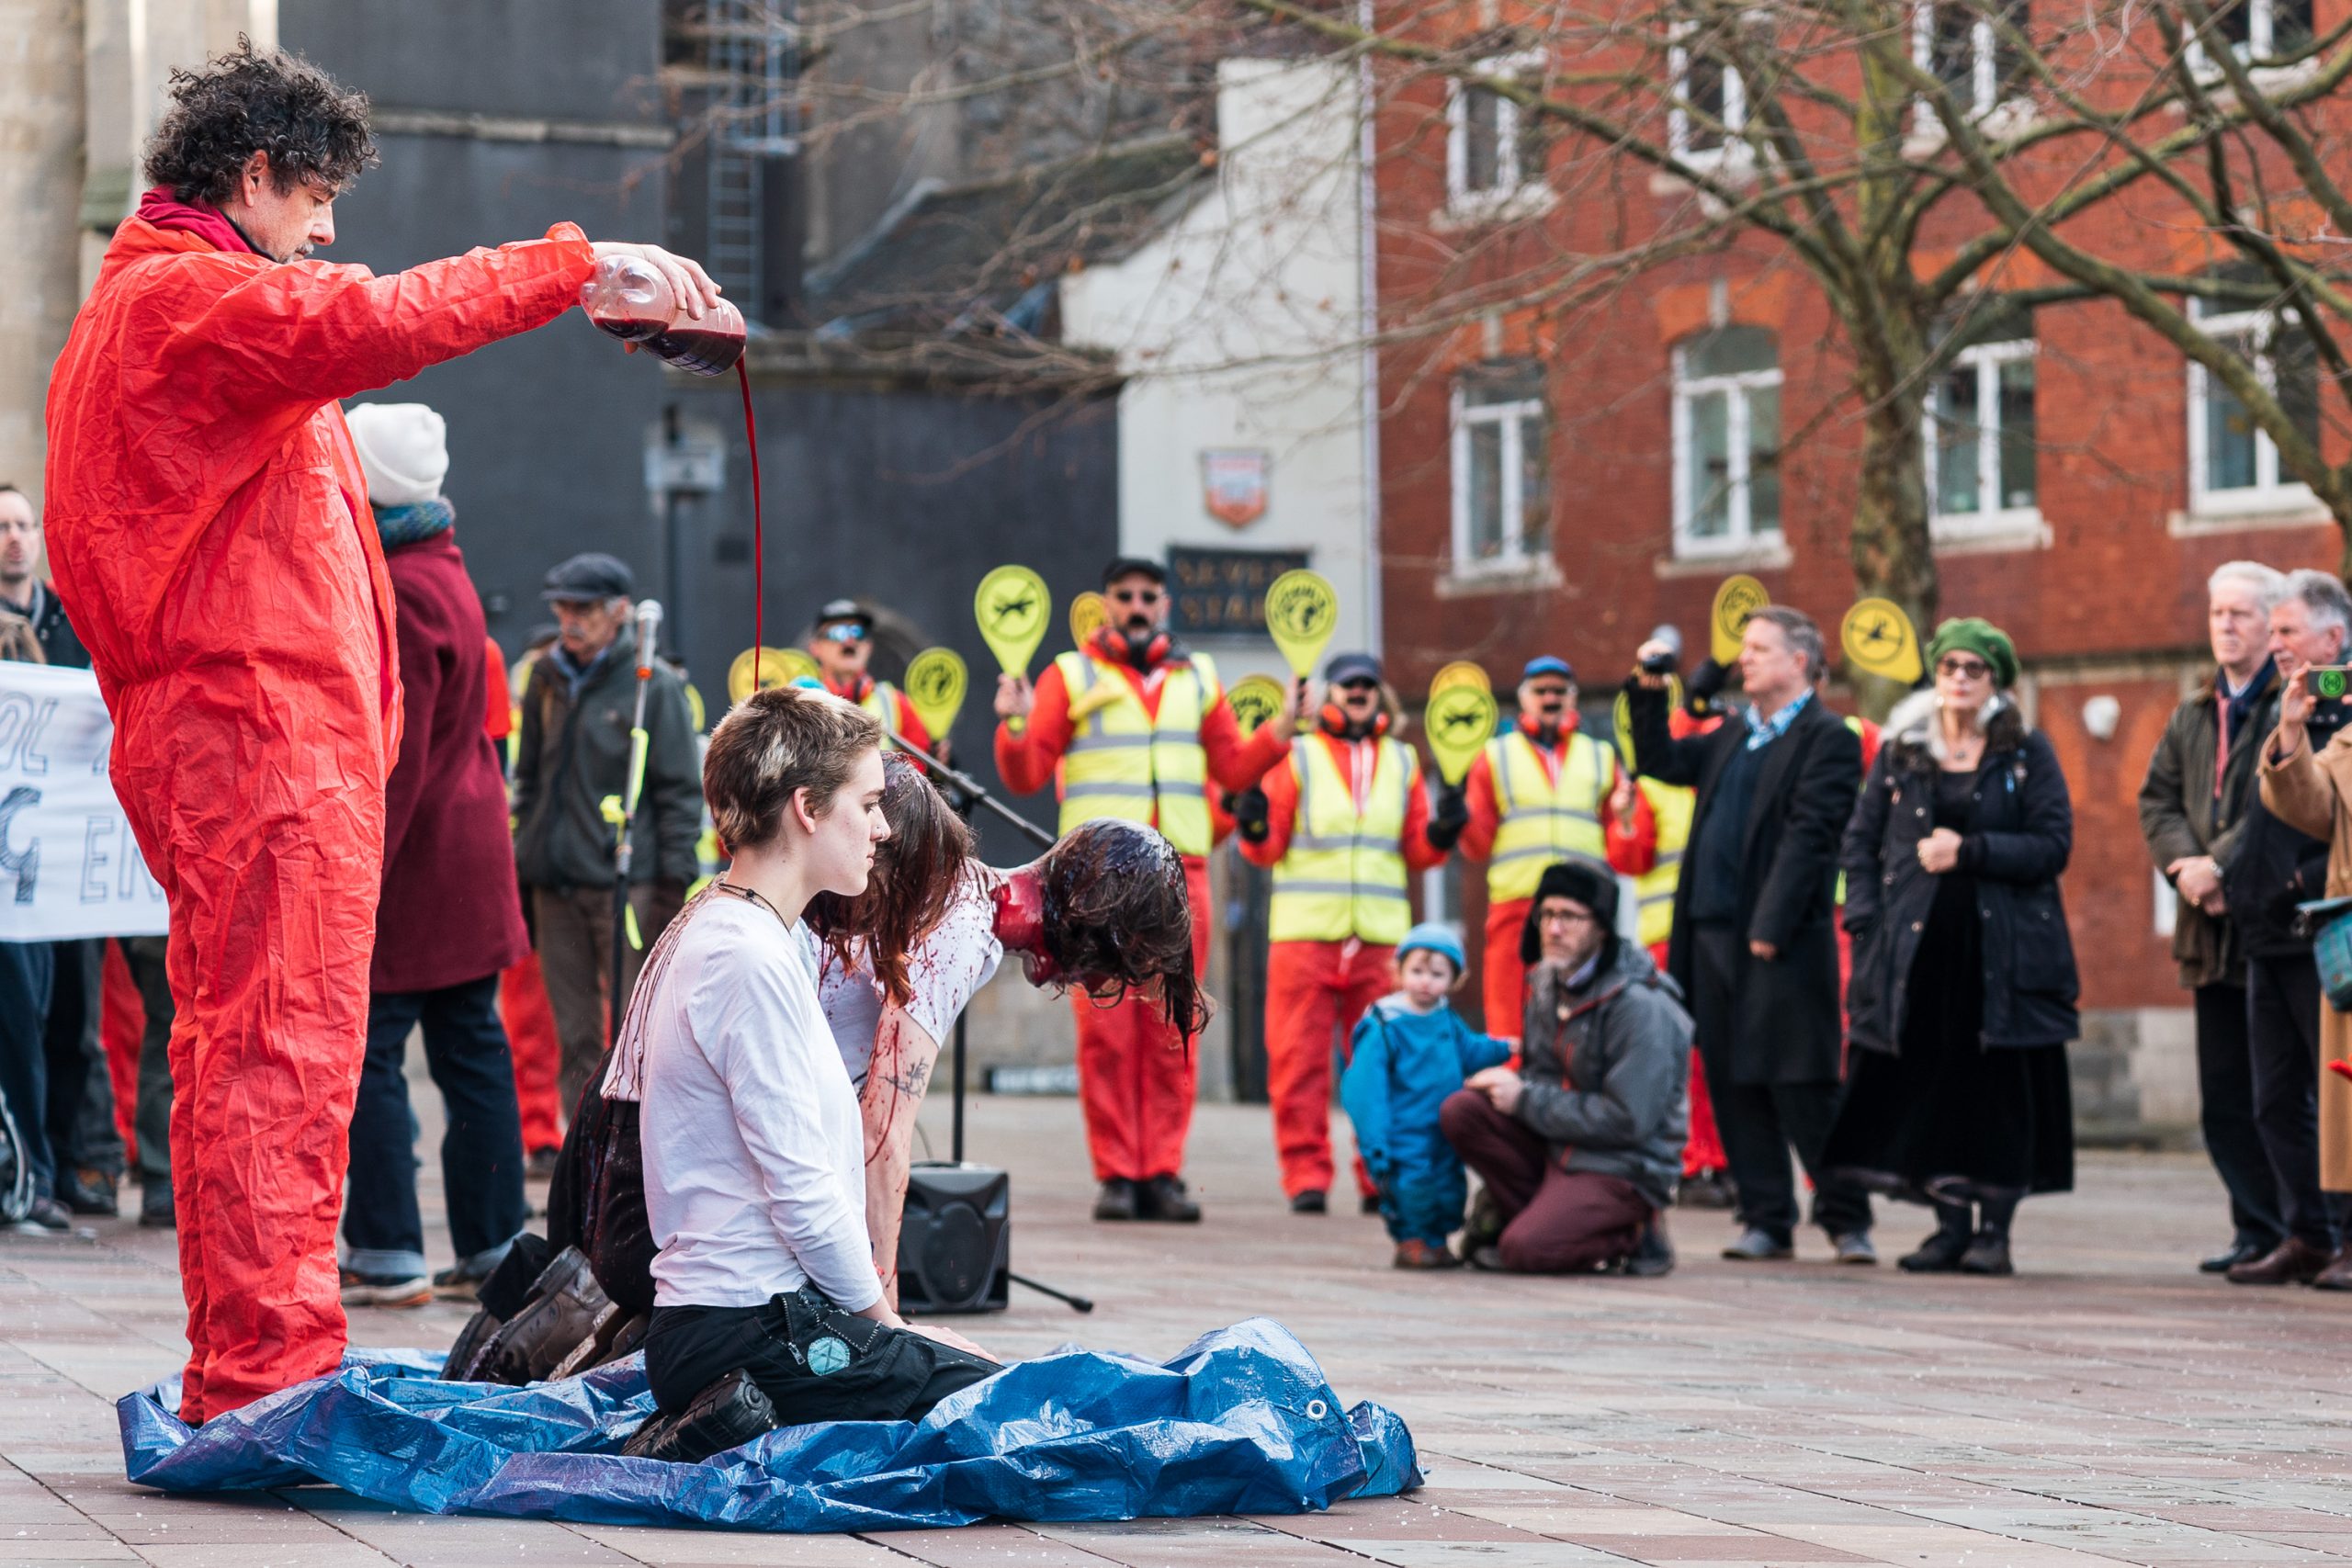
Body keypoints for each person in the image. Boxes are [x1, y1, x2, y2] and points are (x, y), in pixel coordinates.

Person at [40, 37, 720, 1421]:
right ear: (254, 178)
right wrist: (571, 267)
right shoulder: (190, 301)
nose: (328, 230)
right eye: (315, 200)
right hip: (262, 740)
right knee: (276, 1056)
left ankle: (261, 1363)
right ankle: (270, 1376)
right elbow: (367, 322)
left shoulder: (164, 303)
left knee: (254, 1051)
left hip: (259, 738)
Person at [614, 686, 995, 1450]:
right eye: (870, 802)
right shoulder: (745, 955)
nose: (885, 828)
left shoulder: (760, 936)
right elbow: (803, 1186)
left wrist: (903, 1340)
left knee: (988, 1384)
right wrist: (890, 1330)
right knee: (1001, 1404)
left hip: (757, 1321)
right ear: (808, 809)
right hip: (745, 1334)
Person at [993, 556, 1300, 1221]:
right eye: (1124, 595)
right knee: (1105, 1030)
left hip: (1181, 873)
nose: (1136, 606)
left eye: (1148, 596)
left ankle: (1161, 1169)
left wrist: (1280, 731)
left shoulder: (1200, 677)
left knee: (1173, 1019)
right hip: (1098, 878)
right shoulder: (1070, 674)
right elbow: (1026, 771)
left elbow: (1233, 764)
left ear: (1165, 604)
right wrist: (1014, 723)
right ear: (1105, 603)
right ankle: (1117, 1174)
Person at [336, 404, 531, 1308]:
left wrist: (357, 866)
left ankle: (387, 1250)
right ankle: (491, 1242)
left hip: (419, 869)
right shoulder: (440, 565)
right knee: (470, 1049)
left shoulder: (403, 585)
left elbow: (397, 754)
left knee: (374, 1052)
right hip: (466, 859)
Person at [1826, 619, 2077, 1276]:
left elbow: (2053, 845)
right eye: (1949, 667)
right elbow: (1860, 841)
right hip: (1917, 954)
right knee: (1929, 1085)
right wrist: (1865, 923)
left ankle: (1994, 1231)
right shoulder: (1903, 750)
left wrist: (1969, 851)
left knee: (1996, 1091)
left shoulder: (2026, 751)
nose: (1960, 678)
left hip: (2003, 954)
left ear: (1996, 681)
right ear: (1934, 675)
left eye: (1975, 668)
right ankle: (1948, 1224)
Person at [1626, 608, 1874, 1264]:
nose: (1745, 658)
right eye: (1743, 648)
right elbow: (1657, 759)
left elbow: (1811, 838)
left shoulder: (1829, 737)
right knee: (1734, 1078)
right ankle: (1767, 1216)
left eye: (1760, 648)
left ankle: (1848, 1217)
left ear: (1801, 660)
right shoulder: (1734, 734)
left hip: (1778, 937)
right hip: (1709, 934)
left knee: (1800, 1079)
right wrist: (1657, 689)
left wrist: (1770, 925)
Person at [1235, 653, 1450, 1212]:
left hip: (1380, 944)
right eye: (1348, 684)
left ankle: (1379, 1177)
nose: (1358, 692)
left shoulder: (1403, 762)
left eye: (1368, 685)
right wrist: (1254, 823)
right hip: (1305, 937)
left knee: (1383, 1064)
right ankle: (1306, 1177)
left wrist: (1444, 831)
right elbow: (1266, 849)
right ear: (1331, 694)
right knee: (1297, 1065)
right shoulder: (1298, 756)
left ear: (1381, 696)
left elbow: (1420, 852)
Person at [513, 553, 703, 1119]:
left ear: (619, 612)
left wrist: (671, 890)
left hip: (628, 890)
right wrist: (526, 865)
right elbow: (528, 780)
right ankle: (583, 1162)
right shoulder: (545, 676)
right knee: (574, 1037)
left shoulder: (653, 686)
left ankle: (635, 1158)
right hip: (556, 887)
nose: (571, 618)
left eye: (585, 608)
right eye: (563, 606)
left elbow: (678, 794)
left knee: (635, 1032)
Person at [2141, 561, 2291, 1276]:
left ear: (2271, 623)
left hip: (2266, 919)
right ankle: (2252, 1225)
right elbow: (2157, 800)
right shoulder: (2192, 712)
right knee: (2225, 1090)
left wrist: (2220, 865)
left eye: (2241, 613)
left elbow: (2276, 797)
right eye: (2216, 614)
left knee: (2279, 1088)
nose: (2225, 626)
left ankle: (2301, 1225)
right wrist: (2184, 868)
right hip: (2206, 924)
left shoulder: (2290, 705)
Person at [1441, 858, 1690, 1274]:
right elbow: (1543, 1077)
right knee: (1462, 1111)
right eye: (1548, 914)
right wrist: (1509, 1086)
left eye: (1570, 917)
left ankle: (1637, 1230)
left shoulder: (1640, 1006)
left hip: (1623, 1165)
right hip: (1563, 1147)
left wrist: (1523, 1099)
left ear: (1602, 926)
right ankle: (1551, 1218)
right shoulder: (1545, 982)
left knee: (1524, 1250)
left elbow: (1629, 1120)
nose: (1554, 929)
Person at [0, 487, 119, 1222]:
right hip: (15, 868)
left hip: (71, 861)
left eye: (21, 526)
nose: (14, 538)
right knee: (19, 1015)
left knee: (73, 1013)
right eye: (1, 528)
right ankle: (31, 1165)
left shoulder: (74, 621)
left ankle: (68, 1159)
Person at [1445, 656, 1650, 1039]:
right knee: (1510, 1017)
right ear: (1524, 699)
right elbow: (1476, 845)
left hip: (1582, 911)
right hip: (1517, 907)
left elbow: (1625, 850)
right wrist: (1455, 816)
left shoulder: (1601, 756)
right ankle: (1511, 1092)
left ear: (1573, 699)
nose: (1550, 698)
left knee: (1582, 1015)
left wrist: (1625, 821)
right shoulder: (1495, 756)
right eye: (1541, 691)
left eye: (1560, 691)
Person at [2252, 577, 2352, 1291]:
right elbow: (2313, 810)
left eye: (2289, 631)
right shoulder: (2329, 722)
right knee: (2319, 1096)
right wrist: (2290, 731)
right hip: (2332, 934)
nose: (2275, 643)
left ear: (2334, 639)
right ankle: (2330, 1235)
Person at [1340, 923, 1510, 1269]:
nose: (1425, 981)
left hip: (1442, 1130)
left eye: (1437, 974)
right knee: (1411, 1190)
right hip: (1404, 1132)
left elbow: (1471, 1051)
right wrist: (1374, 1141)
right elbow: (1364, 1087)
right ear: (1399, 970)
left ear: (1454, 979)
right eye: (1417, 971)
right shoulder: (1385, 1023)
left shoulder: (1445, 1018)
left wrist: (1506, 1048)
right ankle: (1412, 1242)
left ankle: (1438, 1241)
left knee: (1448, 1188)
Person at [497, 627, 566, 1171]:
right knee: (530, 1022)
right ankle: (539, 1133)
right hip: (522, 883)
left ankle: (555, 1129)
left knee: (585, 1022)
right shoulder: (520, 727)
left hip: (559, 879)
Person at [808, 600, 933, 755]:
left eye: (857, 632)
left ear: (868, 647)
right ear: (815, 647)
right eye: (837, 633)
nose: (849, 641)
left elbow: (920, 764)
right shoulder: (801, 701)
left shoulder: (895, 703)